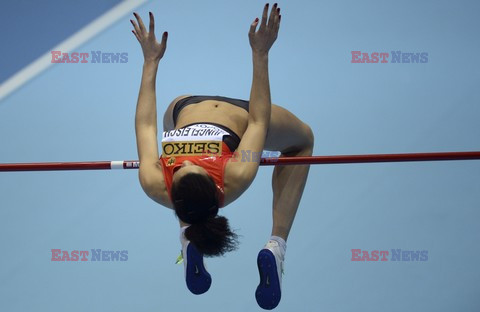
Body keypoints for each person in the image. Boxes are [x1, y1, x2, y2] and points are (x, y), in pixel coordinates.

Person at [131, 3, 313, 310]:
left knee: (166, 127)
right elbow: (257, 120)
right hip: (227, 112)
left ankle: (189, 236)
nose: (187, 161)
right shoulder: (236, 175)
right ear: (217, 189)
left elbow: (146, 124)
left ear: (172, 191)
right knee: (303, 141)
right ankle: (276, 245)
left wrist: (150, 62)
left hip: (182, 107)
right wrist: (261, 54)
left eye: (179, 168)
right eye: (193, 167)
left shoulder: (155, 182)